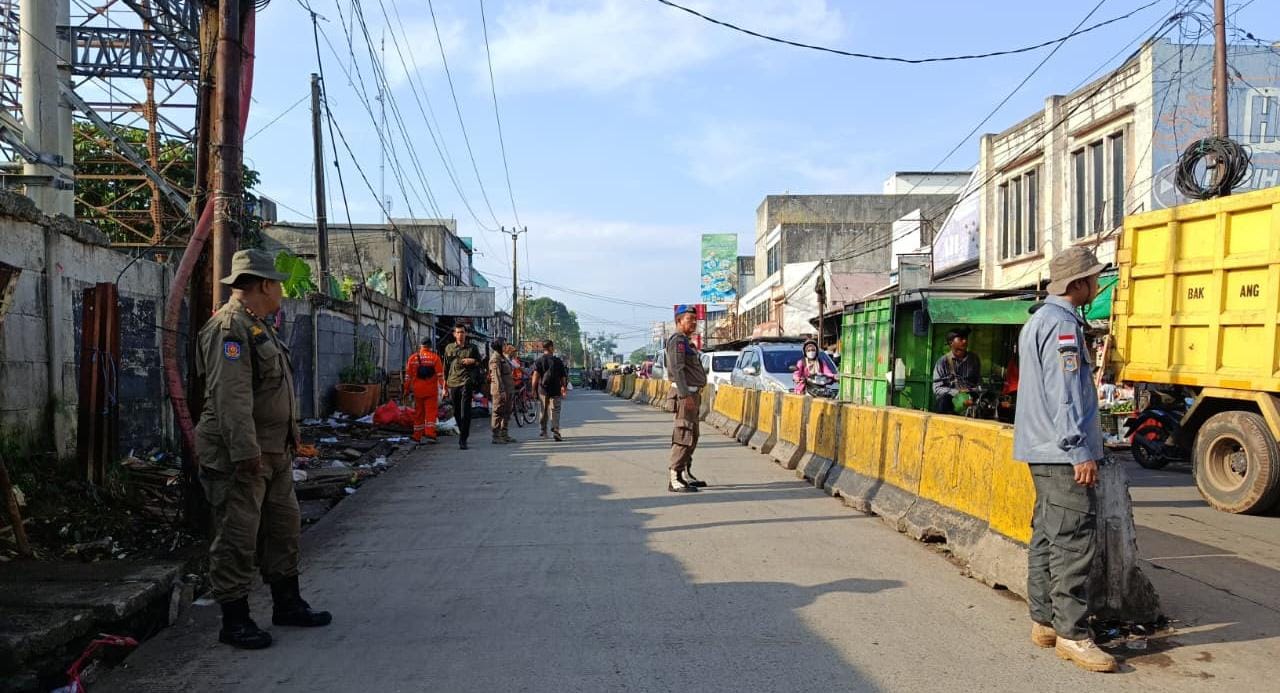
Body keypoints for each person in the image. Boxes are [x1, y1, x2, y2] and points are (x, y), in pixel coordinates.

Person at [194, 249, 331, 650]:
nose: (283, 293)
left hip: (274, 453)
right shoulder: (229, 329)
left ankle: (287, 603)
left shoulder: (258, 326)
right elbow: (231, 398)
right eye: (279, 285)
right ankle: (234, 621)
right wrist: (245, 452)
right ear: (265, 285)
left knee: (283, 529)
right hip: (243, 457)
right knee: (238, 536)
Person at [1013, 246, 1115, 674]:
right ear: (1078, 285)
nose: (1096, 284)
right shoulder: (1062, 327)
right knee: (1073, 540)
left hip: (1039, 450)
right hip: (1061, 451)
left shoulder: (1037, 321)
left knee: (1046, 534)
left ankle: (1045, 621)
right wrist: (1079, 450)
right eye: (1092, 278)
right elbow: (1066, 394)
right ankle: (1073, 634)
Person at [666, 306, 708, 492]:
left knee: (693, 436)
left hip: (692, 393)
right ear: (679, 321)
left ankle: (683, 473)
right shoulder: (677, 341)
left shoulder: (687, 342)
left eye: (695, 319)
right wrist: (685, 395)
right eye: (689, 319)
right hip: (685, 395)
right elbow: (677, 369)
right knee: (684, 435)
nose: (694, 322)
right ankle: (674, 476)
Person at [443, 324, 482, 450]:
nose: (460, 334)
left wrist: (473, 361)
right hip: (453, 382)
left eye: (462, 332)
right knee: (456, 411)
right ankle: (463, 431)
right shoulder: (449, 348)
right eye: (458, 332)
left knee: (465, 410)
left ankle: (463, 439)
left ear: (466, 334)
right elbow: (445, 367)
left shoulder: (472, 348)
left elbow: (480, 363)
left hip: (466, 381)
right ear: (454, 334)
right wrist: (444, 386)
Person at [403, 337, 443, 444]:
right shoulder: (435, 358)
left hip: (417, 391)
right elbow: (440, 376)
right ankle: (430, 434)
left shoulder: (412, 358)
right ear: (430, 346)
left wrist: (406, 390)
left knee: (419, 413)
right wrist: (445, 389)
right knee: (430, 413)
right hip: (431, 391)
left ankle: (417, 435)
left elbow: (408, 377)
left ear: (420, 345)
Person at [932, 329, 981, 414]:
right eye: (961, 339)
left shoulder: (974, 359)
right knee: (943, 400)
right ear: (951, 343)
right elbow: (937, 388)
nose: (965, 341)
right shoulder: (942, 362)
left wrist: (972, 392)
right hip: (950, 402)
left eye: (966, 338)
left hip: (970, 399)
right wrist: (957, 392)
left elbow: (978, 382)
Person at [531, 340, 568, 441]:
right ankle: (555, 429)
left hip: (543, 389)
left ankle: (543, 430)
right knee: (555, 410)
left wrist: (533, 389)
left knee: (543, 410)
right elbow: (563, 376)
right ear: (551, 348)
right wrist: (564, 387)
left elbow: (535, 376)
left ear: (543, 348)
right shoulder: (558, 361)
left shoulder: (539, 361)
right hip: (556, 389)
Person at [489, 337, 516, 444]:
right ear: (499, 346)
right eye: (504, 344)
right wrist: (501, 391)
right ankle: (496, 435)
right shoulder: (495, 358)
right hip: (500, 391)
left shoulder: (503, 358)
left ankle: (504, 434)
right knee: (498, 412)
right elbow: (496, 377)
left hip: (508, 390)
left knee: (507, 412)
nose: (506, 346)